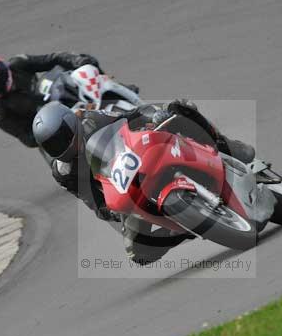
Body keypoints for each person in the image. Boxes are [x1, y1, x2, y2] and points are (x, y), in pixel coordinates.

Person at [31, 99, 256, 264]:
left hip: (141, 152)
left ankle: (225, 145)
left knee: (179, 108)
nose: (61, 146)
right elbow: (93, 203)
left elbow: (132, 114)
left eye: (62, 137)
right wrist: (111, 211)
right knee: (138, 253)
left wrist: (154, 116)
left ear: (71, 123)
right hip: (125, 189)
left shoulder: (91, 118)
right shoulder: (63, 172)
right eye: (52, 145)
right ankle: (185, 228)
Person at [0, 51, 104, 148]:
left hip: (60, 97)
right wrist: (50, 129)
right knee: (70, 171)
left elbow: (54, 59)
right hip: (51, 128)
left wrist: (79, 62)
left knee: (86, 64)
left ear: (4, 68)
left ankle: (116, 90)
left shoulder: (18, 64)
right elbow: (26, 137)